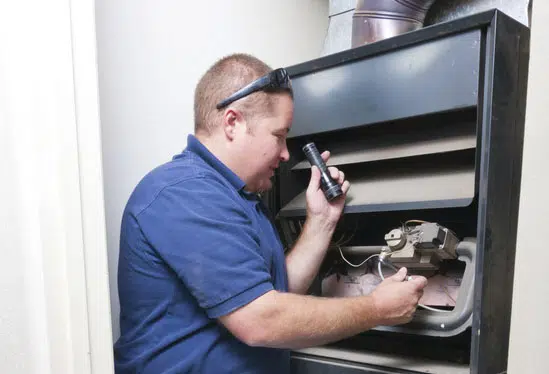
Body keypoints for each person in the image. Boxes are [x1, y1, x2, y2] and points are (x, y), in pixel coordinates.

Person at [114, 53, 428, 374]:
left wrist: (322, 219)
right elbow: (262, 320)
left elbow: (277, 292)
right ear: (233, 122)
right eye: (279, 135)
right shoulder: (184, 192)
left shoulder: (240, 198)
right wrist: (376, 308)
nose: (285, 153)